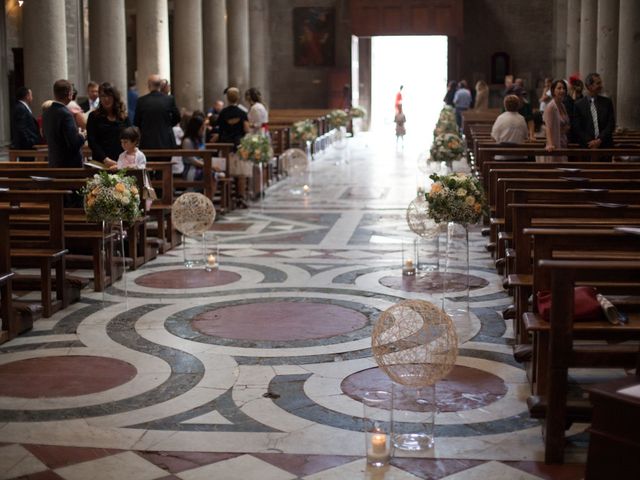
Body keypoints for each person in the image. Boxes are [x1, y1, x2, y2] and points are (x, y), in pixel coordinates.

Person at [133, 74, 181, 159]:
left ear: (149, 85)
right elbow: (177, 118)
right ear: (160, 85)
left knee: (149, 169)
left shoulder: (141, 101)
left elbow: (136, 121)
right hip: (166, 142)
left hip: (147, 142)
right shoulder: (169, 99)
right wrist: (168, 125)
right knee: (166, 168)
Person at [42, 79, 86, 168]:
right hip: (68, 165)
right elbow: (73, 143)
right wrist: (82, 135)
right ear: (70, 94)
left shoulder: (47, 112)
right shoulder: (65, 114)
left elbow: (45, 136)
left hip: (54, 162)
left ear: (54, 94)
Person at [87, 82, 131, 165]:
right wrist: (105, 159)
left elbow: (131, 137)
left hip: (121, 161)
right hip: (100, 162)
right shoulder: (93, 116)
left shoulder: (123, 117)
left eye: (109, 96)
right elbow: (92, 141)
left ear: (115, 97)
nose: (106, 99)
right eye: (103, 96)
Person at [573, 72, 615, 149]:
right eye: (598, 83)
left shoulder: (607, 102)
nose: (601, 86)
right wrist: (590, 141)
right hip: (586, 146)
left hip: (605, 145)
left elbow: (611, 124)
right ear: (590, 86)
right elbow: (577, 127)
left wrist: (599, 140)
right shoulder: (578, 105)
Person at [542, 79, 570, 162]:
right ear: (553, 91)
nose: (562, 90)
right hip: (555, 143)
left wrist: (566, 128)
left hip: (563, 141)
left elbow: (566, 123)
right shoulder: (551, 107)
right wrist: (550, 144)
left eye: (564, 88)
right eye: (559, 88)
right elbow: (548, 127)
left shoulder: (562, 106)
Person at [11, 86, 40, 154]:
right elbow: (21, 127)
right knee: (27, 163)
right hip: (26, 145)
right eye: (31, 95)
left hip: (27, 144)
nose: (32, 97)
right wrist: (30, 141)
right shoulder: (20, 108)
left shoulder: (21, 107)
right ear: (27, 96)